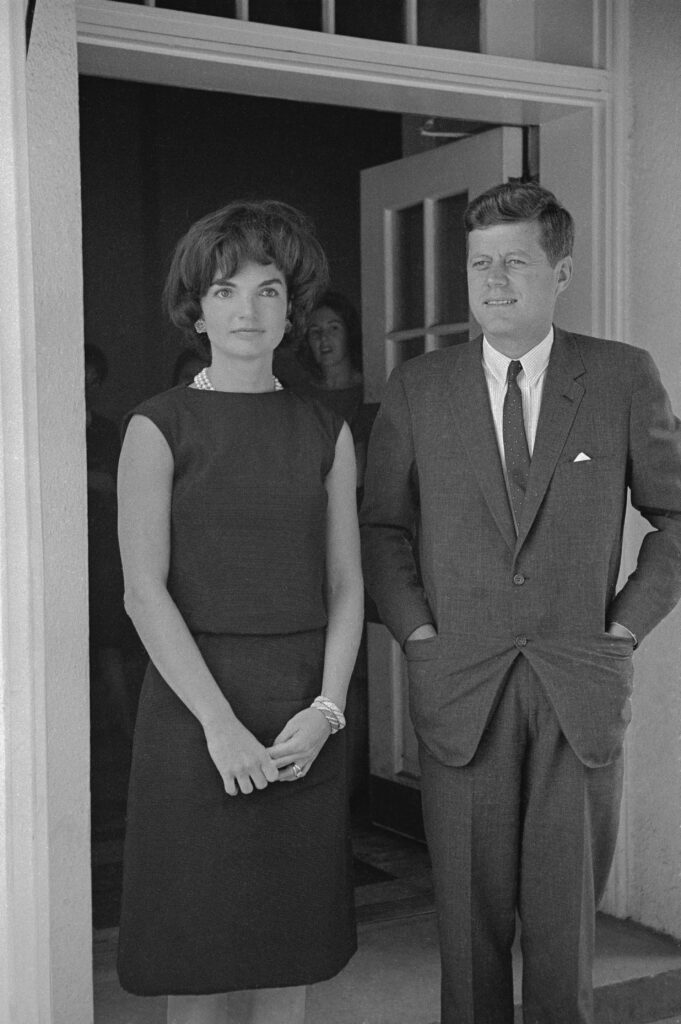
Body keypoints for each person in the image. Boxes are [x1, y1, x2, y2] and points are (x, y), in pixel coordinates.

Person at [360, 180, 681, 1024]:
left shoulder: (618, 376)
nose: (492, 280)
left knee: (564, 926)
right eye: (478, 263)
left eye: (513, 261)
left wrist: (621, 629)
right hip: (457, 681)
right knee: (466, 930)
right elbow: (382, 527)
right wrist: (420, 635)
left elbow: (676, 516)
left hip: (578, 683)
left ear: (561, 269)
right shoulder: (417, 388)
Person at [116, 199, 363, 1024]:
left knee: (286, 948)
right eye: (226, 290)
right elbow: (143, 590)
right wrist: (219, 727)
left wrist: (326, 711)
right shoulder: (159, 425)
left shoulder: (323, 428)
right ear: (197, 309)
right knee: (199, 956)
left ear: (291, 306)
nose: (248, 310)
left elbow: (345, 586)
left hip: (301, 707)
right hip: (194, 714)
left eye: (267, 289)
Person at [84, 344, 135, 739]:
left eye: (88, 373)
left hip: (101, 548)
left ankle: (124, 736)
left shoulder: (104, 430)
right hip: (56, 553)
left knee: (107, 641)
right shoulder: (37, 426)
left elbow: (114, 484)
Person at [295, 290, 377, 492]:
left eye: (333, 328)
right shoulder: (299, 397)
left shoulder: (372, 390)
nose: (324, 338)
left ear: (349, 333)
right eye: (315, 331)